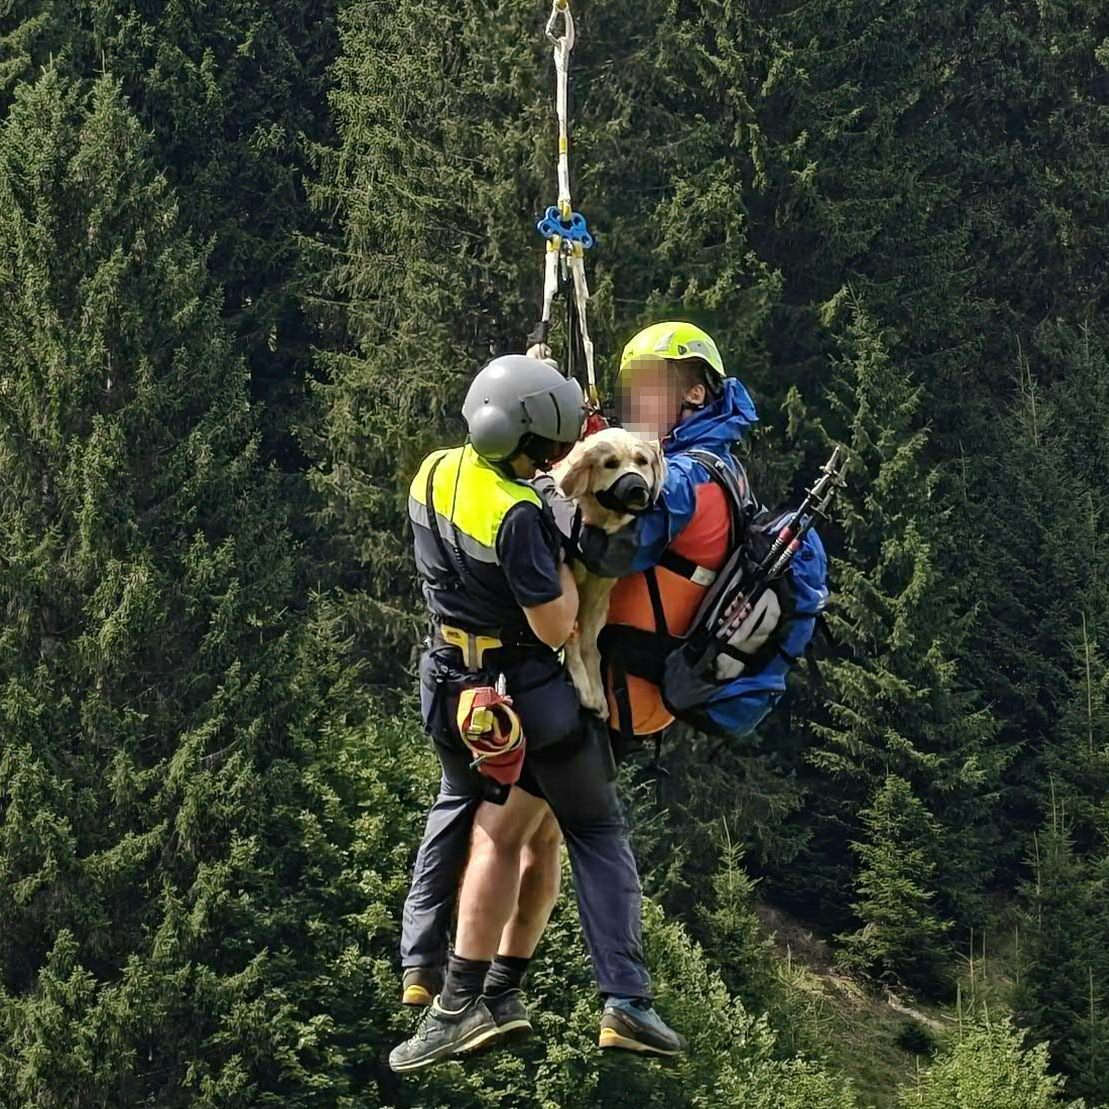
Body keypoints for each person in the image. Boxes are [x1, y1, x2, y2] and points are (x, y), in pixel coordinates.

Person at [389, 354, 685, 1074]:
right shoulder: (520, 516)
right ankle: (608, 999)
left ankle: (447, 977)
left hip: (451, 684)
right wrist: (564, 546)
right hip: (528, 693)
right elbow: (556, 626)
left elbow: (505, 465)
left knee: (483, 819)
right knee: (585, 829)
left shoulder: (433, 471)